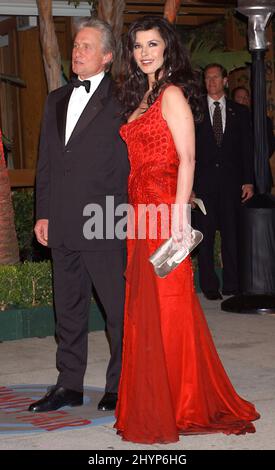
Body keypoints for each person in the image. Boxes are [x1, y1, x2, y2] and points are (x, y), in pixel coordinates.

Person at [114, 16, 259, 444]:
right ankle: (158, 395)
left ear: (167, 48)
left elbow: (188, 159)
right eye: (138, 45)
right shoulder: (141, 96)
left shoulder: (172, 93)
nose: (144, 52)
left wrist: (179, 217)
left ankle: (183, 401)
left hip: (164, 212)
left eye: (152, 44)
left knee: (171, 306)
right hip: (141, 214)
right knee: (147, 310)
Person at [28, 18, 129, 413]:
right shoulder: (55, 99)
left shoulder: (123, 98)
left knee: (116, 310)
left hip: (105, 220)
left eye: (86, 46)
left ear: (106, 56)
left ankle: (120, 384)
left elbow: (131, 164)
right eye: (75, 46)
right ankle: (68, 383)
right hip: (63, 222)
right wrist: (43, 214)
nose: (77, 52)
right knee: (67, 310)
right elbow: (47, 164)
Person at [193, 65, 254, 300]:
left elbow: (246, 150)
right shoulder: (195, 110)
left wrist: (248, 181)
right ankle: (209, 286)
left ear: (225, 81)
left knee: (232, 235)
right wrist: (190, 187)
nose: (211, 82)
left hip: (232, 185)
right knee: (205, 237)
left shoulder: (239, 111)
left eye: (216, 77)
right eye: (207, 78)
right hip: (204, 186)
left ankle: (232, 284)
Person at [232, 85, 275, 186]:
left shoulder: (263, 120)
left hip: (260, 172)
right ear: (233, 100)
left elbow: (271, 145)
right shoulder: (228, 120)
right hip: (236, 174)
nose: (244, 100)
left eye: (246, 97)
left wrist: (255, 158)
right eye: (240, 97)